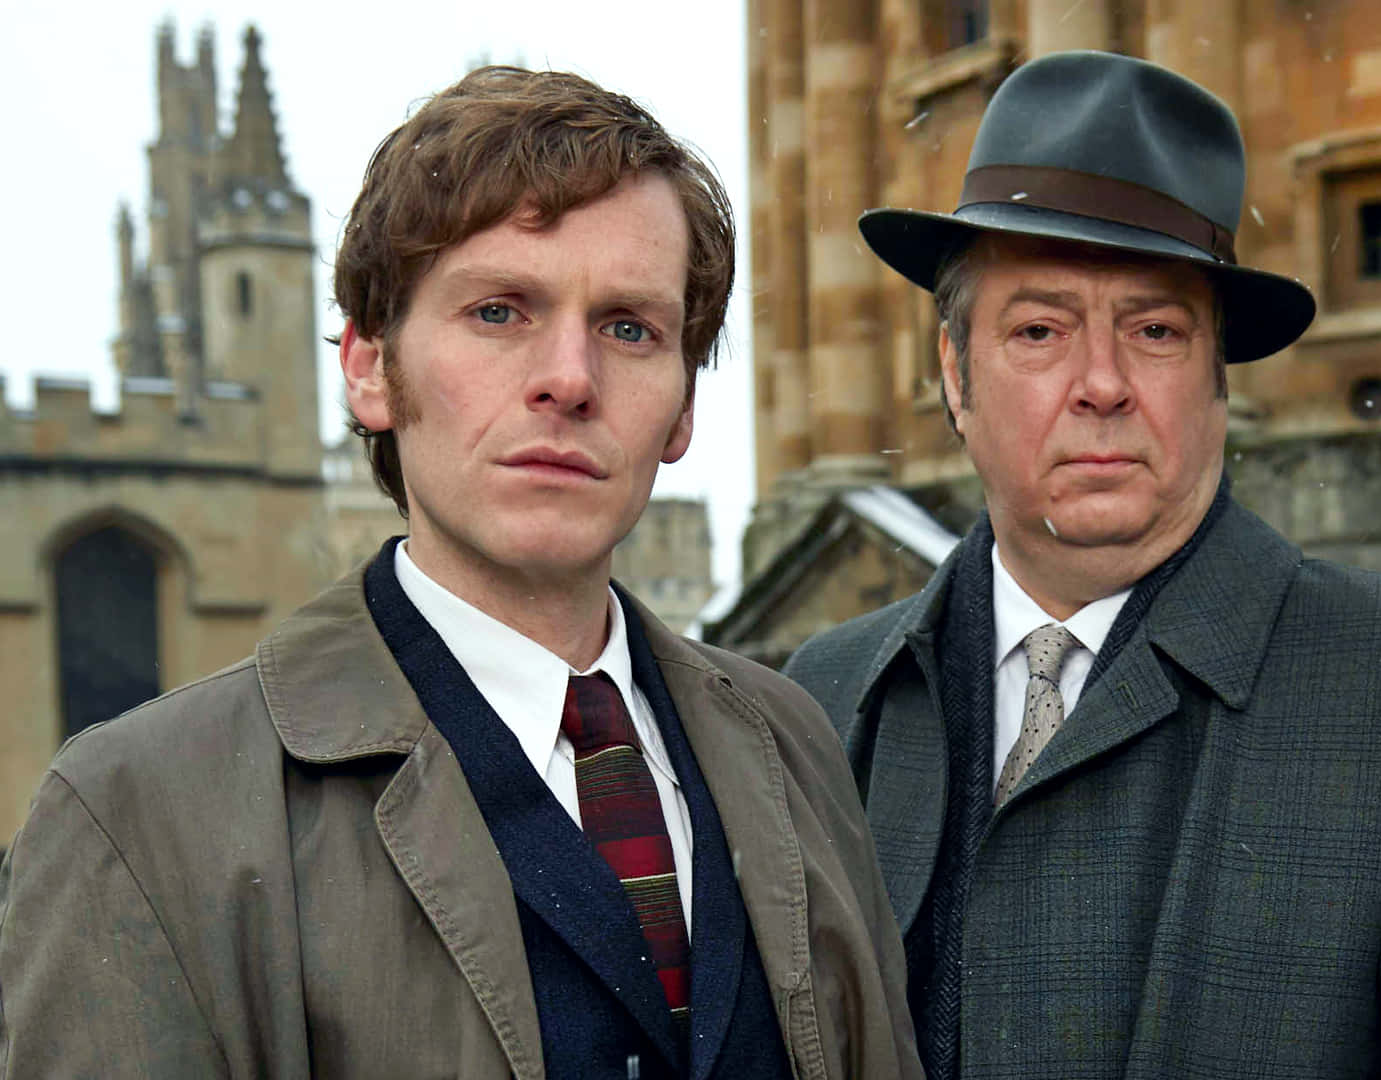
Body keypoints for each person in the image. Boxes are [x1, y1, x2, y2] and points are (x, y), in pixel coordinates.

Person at [0, 67, 918, 1080]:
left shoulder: (794, 747)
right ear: (367, 367)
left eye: (630, 328)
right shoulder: (137, 812)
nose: (570, 378)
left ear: (685, 408)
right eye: (499, 312)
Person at [783, 50, 1381, 1079]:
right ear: (956, 374)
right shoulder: (821, 701)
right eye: (1040, 330)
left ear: (1216, 380)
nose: (1102, 384)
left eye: (1155, 330)